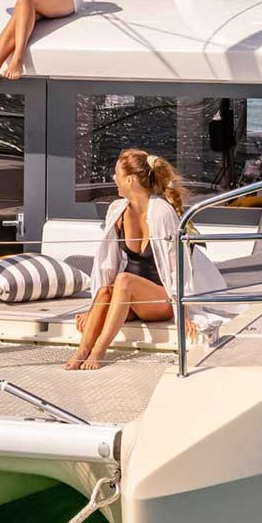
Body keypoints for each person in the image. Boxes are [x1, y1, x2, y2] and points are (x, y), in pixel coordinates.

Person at [66, 149, 232, 370]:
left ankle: (99, 351)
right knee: (106, 290)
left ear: (130, 180)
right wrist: (94, 309)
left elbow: (177, 266)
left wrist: (183, 311)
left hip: (160, 300)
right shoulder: (117, 211)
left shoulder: (161, 212)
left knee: (124, 280)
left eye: (117, 174)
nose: (113, 179)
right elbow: (107, 264)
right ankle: (82, 351)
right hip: (130, 299)